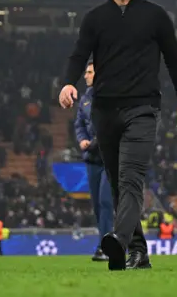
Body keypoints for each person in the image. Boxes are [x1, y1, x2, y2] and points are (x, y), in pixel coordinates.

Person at [59, 0, 177, 271]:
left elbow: (174, 60)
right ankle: (139, 253)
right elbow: (78, 54)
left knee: (131, 177)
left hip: (143, 109)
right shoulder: (95, 18)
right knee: (119, 185)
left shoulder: (156, 16)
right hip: (104, 111)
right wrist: (67, 82)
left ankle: (117, 242)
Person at [74, 61, 113, 262]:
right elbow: (79, 123)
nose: (86, 76)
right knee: (98, 206)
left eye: (89, 72)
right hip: (92, 160)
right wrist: (82, 139)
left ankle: (106, 247)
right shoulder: (85, 100)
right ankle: (104, 244)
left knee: (106, 202)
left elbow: (109, 127)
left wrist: (92, 143)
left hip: (109, 158)